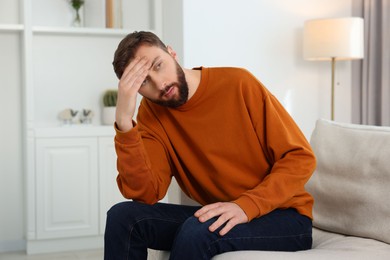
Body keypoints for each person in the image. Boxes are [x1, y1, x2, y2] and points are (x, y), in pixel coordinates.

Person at [104, 31, 316, 260]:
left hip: (285, 216)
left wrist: (247, 205)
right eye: (143, 81)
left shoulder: (239, 84)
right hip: (223, 212)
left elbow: (300, 157)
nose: (160, 84)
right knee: (123, 218)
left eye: (158, 65)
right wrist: (125, 123)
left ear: (171, 53)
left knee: (198, 232)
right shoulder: (152, 115)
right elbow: (146, 193)